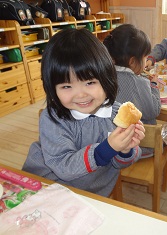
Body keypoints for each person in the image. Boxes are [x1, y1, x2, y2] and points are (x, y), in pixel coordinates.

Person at [22, 28, 145, 197]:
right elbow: (63, 166)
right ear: (52, 88)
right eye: (66, 86)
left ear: (106, 78)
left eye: (89, 82)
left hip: (93, 194)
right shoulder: (53, 119)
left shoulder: (117, 114)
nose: (80, 94)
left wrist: (125, 149)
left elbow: (120, 164)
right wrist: (106, 149)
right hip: (47, 186)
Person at [104, 24, 161, 158]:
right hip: (138, 148)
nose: (146, 61)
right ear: (132, 62)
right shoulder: (140, 82)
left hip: (110, 145)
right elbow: (155, 109)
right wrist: (153, 85)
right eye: (145, 57)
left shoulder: (104, 77)